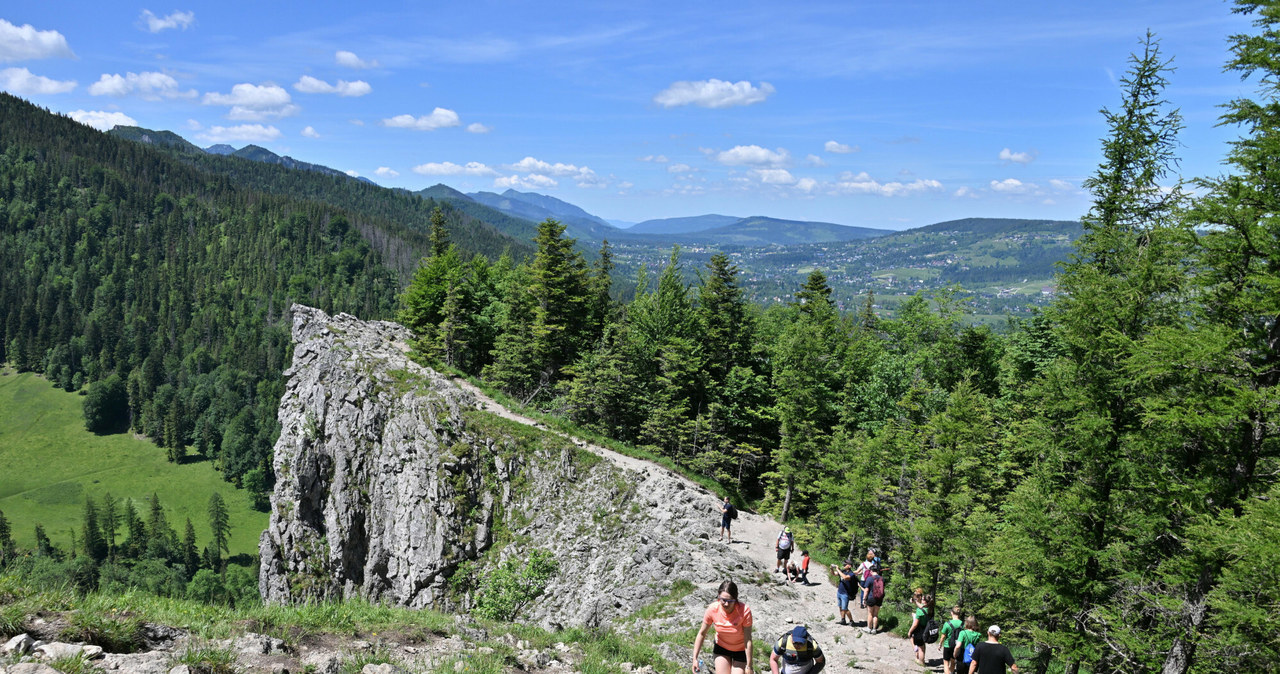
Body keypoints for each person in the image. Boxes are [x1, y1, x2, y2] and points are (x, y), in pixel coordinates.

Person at [693, 580, 754, 674]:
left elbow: (748, 639)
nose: (726, 604)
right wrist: (695, 659)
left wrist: (749, 666)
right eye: (723, 600)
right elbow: (701, 633)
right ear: (718, 597)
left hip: (740, 650)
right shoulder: (712, 609)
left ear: (735, 599)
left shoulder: (745, 611)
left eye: (730, 601)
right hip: (721, 647)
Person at [905, 592, 934, 666]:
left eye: (922, 599)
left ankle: (921, 661)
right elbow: (922, 606)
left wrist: (910, 631)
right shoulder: (930, 609)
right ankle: (921, 658)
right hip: (926, 628)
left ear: (924, 601)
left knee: (920, 647)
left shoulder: (920, 611)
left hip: (920, 629)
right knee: (923, 645)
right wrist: (915, 602)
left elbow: (915, 624)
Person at [939, 606, 964, 674]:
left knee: (946, 663)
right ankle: (951, 672)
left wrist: (940, 643)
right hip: (957, 645)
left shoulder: (947, 624)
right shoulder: (963, 624)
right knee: (953, 662)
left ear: (951, 613)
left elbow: (943, 636)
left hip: (948, 645)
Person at [863, 564, 884, 633]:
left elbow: (866, 590)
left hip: (871, 598)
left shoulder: (869, 578)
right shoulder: (882, 578)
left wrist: (864, 599)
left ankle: (869, 628)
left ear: (871, 571)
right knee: (876, 614)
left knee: (870, 613)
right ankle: (874, 629)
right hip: (879, 598)